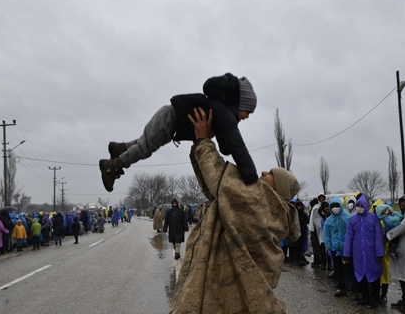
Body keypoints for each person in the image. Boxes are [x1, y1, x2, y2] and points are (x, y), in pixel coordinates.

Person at [169, 107, 301, 313]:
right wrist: (198, 143)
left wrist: (204, 140)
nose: (264, 172)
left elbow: (220, 180)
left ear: (277, 189)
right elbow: (217, 190)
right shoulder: (264, 210)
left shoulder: (260, 204)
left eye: (271, 174)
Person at [99, 73, 257, 192]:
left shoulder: (223, 112)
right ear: (240, 104)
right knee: (144, 148)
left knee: (143, 143)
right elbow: (237, 146)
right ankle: (111, 166)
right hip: (169, 121)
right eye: (248, 112)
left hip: (168, 120)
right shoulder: (225, 113)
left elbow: (227, 146)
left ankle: (118, 149)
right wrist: (251, 177)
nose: (248, 117)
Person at [343, 194, 384, 309]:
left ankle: (375, 299)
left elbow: (378, 235)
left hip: (371, 252)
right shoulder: (352, 220)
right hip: (358, 252)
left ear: (366, 206)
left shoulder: (373, 218)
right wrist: (347, 253)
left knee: (374, 275)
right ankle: (365, 296)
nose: (360, 207)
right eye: (358, 205)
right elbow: (349, 236)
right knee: (361, 275)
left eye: (362, 205)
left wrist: (379, 252)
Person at [323, 196, 351, 297]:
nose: (335, 208)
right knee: (338, 268)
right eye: (333, 206)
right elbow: (326, 234)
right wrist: (329, 246)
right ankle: (342, 287)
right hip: (335, 248)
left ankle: (351, 287)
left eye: (337, 206)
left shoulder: (347, 218)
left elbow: (351, 232)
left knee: (348, 268)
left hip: (346, 248)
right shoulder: (329, 220)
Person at [308, 196, 324, 268]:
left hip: (316, 230)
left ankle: (317, 262)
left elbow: (316, 220)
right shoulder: (316, 208)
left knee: (316, 247)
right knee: (319, 247)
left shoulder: (315, 208)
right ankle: (319, 261)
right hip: (316, 229)